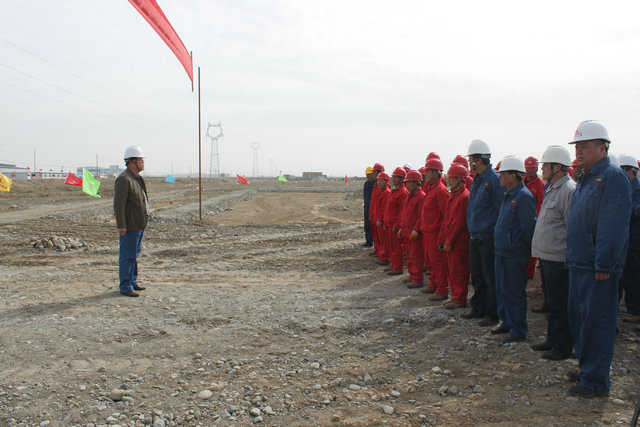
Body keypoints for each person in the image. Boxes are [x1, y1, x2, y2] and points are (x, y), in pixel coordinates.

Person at [565, 120, 631, 398]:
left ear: (602, 148)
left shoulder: (612, 177)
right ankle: (587, 368)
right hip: (580, 262)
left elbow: (613, 224)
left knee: (597, 323)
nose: (578, 151)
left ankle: (595, 381)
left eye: (584, 146)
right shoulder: (587, 177)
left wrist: (605, 263)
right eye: (577, 146)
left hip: (597, 266)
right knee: (580, 320)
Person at [530, 145, 576, 360]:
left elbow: (571, 228)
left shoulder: (568, 190)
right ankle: (552, 340)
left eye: (545, 166)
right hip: (548, 257)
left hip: (559, 259)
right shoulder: (553, 188)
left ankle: (563, 347)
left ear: (557, 167)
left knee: (560, 304)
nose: (542, 170)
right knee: (552, 303)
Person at [491, 156, 537, 343]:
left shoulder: (524, 197)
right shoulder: (508, 194)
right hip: (502, 251)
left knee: (515, 291)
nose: (500, 177)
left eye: (503, 173)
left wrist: (527, 252)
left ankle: (518, 329)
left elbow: (529, 228)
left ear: (513, 175)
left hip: (514, 253)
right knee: (502, 289)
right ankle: (506, 321)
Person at [464, 140, 504, 326]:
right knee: (477, 275)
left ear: (478, 159)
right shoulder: (478, 179)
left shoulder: (494, 180)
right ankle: (478, 307)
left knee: (490, 277)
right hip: (475, 236)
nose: (469, 162)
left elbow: (500, 210)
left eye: (471, 158)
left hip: (488, 237)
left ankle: (492, 312)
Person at [114, 145, 149, 297]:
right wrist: (121, 225)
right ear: (131, 162)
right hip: (129, 226)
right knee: (127, 256)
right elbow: (119, 205)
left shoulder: (136, 179)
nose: (143, 162)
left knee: (134, 255)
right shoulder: (124, 179)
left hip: (139, 224)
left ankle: (132, 281)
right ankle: (125, 286)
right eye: (140, 160)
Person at [416, 158, 450, 299]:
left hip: (436, 233)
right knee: (430, 261)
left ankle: (442, 290)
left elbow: (446, 215)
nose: (426, 175)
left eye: (428, 172)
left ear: (436, 173)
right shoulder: (431, 189)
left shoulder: (440, 190)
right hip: (428, 232)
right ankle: (433, 284)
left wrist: (443, 236)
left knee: (438, 262)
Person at [439, 163, 471, 309]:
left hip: (458, 242)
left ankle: (460, 298)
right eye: (449, 177)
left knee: (459, 271)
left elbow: (459, 223)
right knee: (452, 270)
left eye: (452, 178)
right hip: (451, 240)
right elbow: (447, 219)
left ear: (461, 179)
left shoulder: (464, 197)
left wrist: (450, 241)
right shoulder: (454, 195)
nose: (449, 180)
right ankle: (455, 296)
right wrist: (443, 239)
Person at [617, 154, 640, 323]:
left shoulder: (636, 190)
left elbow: (633, 212)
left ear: (631, 171)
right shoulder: (624, 187)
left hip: (633, 240)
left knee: (632, 275)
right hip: (623, 238)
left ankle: (634, 309)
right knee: (620, 275)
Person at [398, 171, 426, 288]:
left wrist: (416, 229)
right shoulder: (409, 196)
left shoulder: (421, 197)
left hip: (414, 233)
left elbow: (421, 216)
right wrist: (401, 227)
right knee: (409, 255)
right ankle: (412, 275)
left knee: (416, 256)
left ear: (416, 183)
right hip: (406, 232)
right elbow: (405, 214)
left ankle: (417, 278)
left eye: (409, 183)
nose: (407, 185)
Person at [524, 156, 545, 282]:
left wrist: (535, 221)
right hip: (520, 219)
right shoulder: (521, 181)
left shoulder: (540, 185)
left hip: (532, 220)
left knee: (531, 247)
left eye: (532, 168)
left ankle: (529, 272)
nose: (530, 170)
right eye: (528, 168)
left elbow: (540, 205)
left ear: (537, 168)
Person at [384, 167, 409, 275]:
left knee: (397, 247)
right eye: (393, 177)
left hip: (395, 225)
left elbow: (402, 211)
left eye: (396, 177)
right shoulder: (394, 191)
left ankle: (398, 267)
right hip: (389, 223)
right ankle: (393, 264)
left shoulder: (403, 192)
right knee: (391, 246)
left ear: (402, 179)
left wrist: (397, 224)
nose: (393, 179)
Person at [373, 172, 391, 266]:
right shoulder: (382, 192)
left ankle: (384, 258)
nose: (379, 183)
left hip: (383, 222)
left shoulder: (386, 193)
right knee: (381, 239)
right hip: (379, 220)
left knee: (384, 240)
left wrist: (381, 220)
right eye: (378, 181)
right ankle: (382, 256)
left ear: (386, 181)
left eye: (381, 181)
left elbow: (384, 209)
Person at [368, 163, 385, 257]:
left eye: (374, 172)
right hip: (374, 215)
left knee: (381, 236)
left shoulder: (382, 188)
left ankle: (382, 253)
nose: (373, 174)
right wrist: (371, 214)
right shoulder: (376, 186)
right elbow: (373, 202)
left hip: (378, 216)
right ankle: (377, 249)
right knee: (375, 235)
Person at [362, 166, 375, 247]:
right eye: (367, 174)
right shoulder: (366, 184)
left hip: (373, 208)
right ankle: (368, 241)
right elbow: (365, 196)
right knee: (367, 225)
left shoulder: (375, 184)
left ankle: (373, 241)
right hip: (367, 208)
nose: (368, 176)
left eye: (369, 174)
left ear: (372, 174)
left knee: (372, 226)